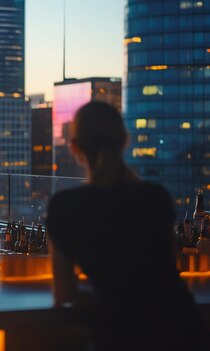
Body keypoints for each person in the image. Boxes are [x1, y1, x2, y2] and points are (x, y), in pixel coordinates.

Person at [46, 101, 207, 351]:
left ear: (75, 148)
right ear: (124, 141)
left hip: (123, 335)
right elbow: (165, 268)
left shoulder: (65, 207)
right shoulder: (156, 197)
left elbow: (64, 294)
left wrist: (111, 301)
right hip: (183, 326)